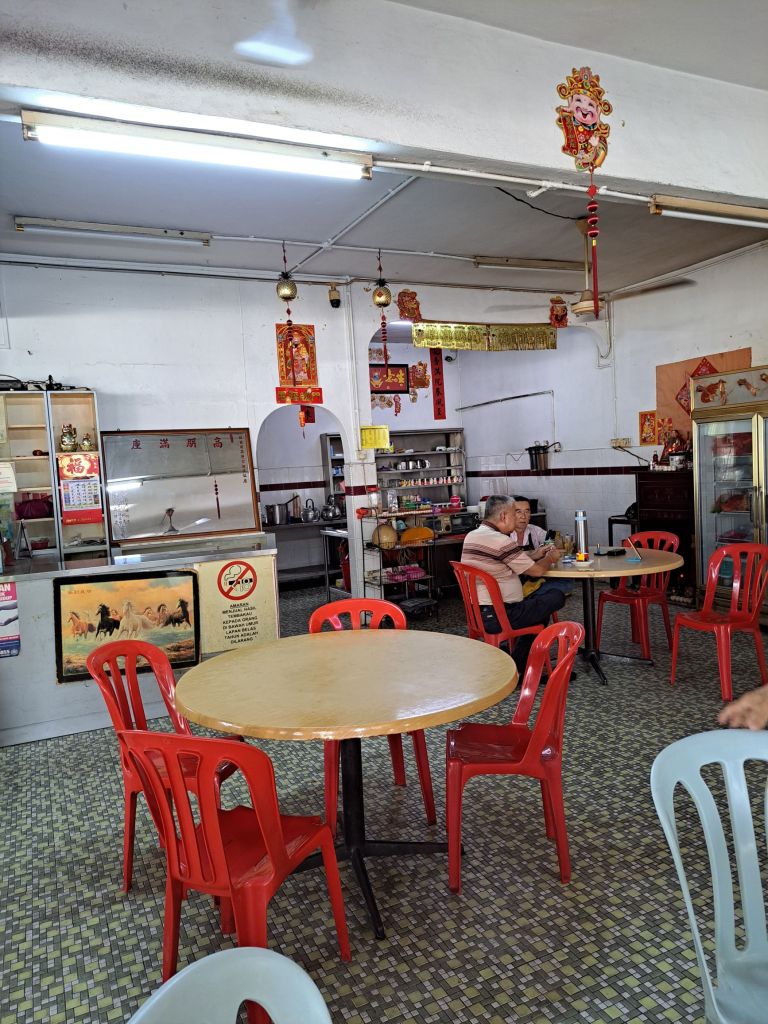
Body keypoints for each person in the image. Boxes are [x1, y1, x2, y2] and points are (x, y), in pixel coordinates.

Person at [461, 494, 565, 672]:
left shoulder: (473, 535)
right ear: (503, 516)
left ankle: (517, 665)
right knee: (555, 596)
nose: (518, 519)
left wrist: (534, 554)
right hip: (500, 615)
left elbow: (506, 558)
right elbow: (537, 571)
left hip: (478, 613)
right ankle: (518, 667)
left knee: (539, 610)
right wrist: (550, 558)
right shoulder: (501, 540)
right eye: (514, 514)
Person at [512, 496, 572, 597]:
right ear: (510, 514)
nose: (523, 516)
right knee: (563, 586)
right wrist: (535, 554)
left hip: (533, 578)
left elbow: (554, 542)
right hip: (514, 582)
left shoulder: (534, 530)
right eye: (518, 512)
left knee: (567, 581)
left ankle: (533, 596)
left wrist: (552, 546)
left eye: (527, 511)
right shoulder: (504, 535)